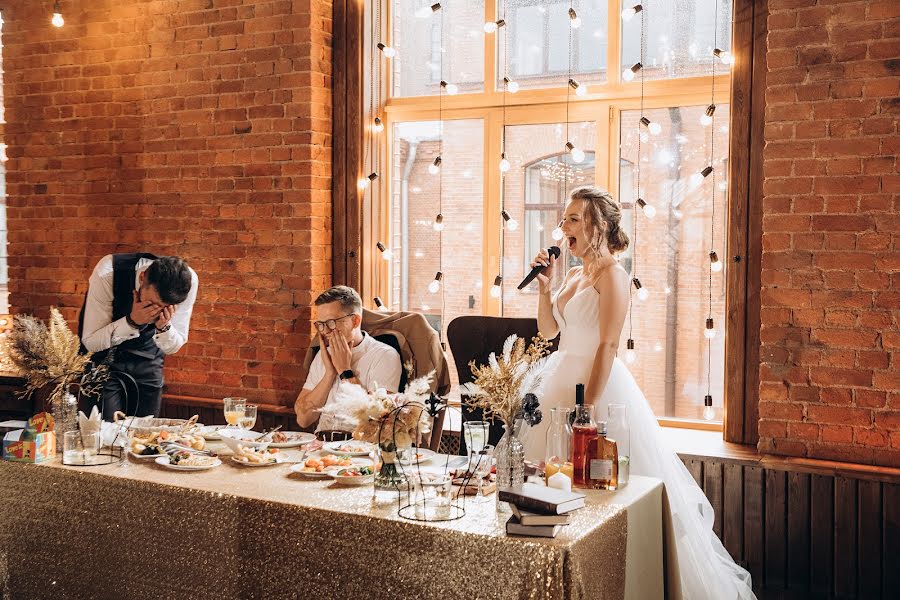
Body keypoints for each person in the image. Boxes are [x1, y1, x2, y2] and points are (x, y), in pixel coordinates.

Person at [523, 186, 755, 600]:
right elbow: (548, 332)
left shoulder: (614, 276)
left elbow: (607, 346)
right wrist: (544, 289)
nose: (564, 227)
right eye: (564, 219)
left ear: (600, 225)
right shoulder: (574, 274)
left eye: (574, 218)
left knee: (597, 495)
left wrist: (585, 411)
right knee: (548, 492)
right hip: (557, 380)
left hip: (594, 387)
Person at [79, 253, 198, 420]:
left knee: (144, 438)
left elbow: (173, 346)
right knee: (103, 436)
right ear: (142, 278)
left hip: (149, 360)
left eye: (163, 308)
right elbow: (90, 341)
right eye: (151, 303)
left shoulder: (188, 281)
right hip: (103, 361)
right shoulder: (108, 272)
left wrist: (164, 327)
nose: (155, 310)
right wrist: (132, 321)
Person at [295, 286, 403, 434]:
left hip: (359, 448)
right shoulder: (323, 355)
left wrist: (345, 371)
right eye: (320, 324)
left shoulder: (384, 355)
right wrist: (329, 374)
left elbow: (379, 419)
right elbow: (303, 419)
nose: (325, 331)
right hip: (320, 445)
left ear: (355, 321)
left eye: (331, 322)